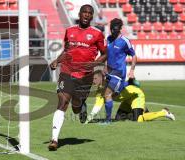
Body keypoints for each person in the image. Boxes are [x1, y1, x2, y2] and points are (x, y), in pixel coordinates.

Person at [48, 4, 107, 151]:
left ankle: (81, 106)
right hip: (67, 72)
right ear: (79, 14)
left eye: (90, 13)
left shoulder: (97, 34)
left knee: (75, 108)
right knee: (62, 103)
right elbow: (67, 50)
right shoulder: (69, 31)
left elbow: (105, 53)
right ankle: (54, 139)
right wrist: (57, 60)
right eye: (84, 12)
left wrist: (95, 63)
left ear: (92, 16)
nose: (87, 15)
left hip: (85, 76)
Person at [84, 70, 175, 124]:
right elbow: (98, 105)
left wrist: (133, 81)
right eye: (92, 79)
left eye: (95, 78)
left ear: (102, 78)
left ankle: (163, 112)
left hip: (136, 96)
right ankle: (143, 110)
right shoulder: (100, 90)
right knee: (119, 119)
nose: (93, 81)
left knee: (138, 120)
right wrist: (89, 119)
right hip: (126, 100)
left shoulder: (114, 82)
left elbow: (129, 83)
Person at [103, 18, 137, 123]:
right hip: (109, 72)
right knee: (111, 95)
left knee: (107, 94)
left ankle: (108, 120)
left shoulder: (125, 41)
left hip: (118, 73)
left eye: (116, 30)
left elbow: (134, 56)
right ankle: (129, 84)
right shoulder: (108, 39)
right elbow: (105, 55)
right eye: (112, 29)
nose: (114, 31)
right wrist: (104, 66)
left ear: (120, 29)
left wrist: (132, 70)